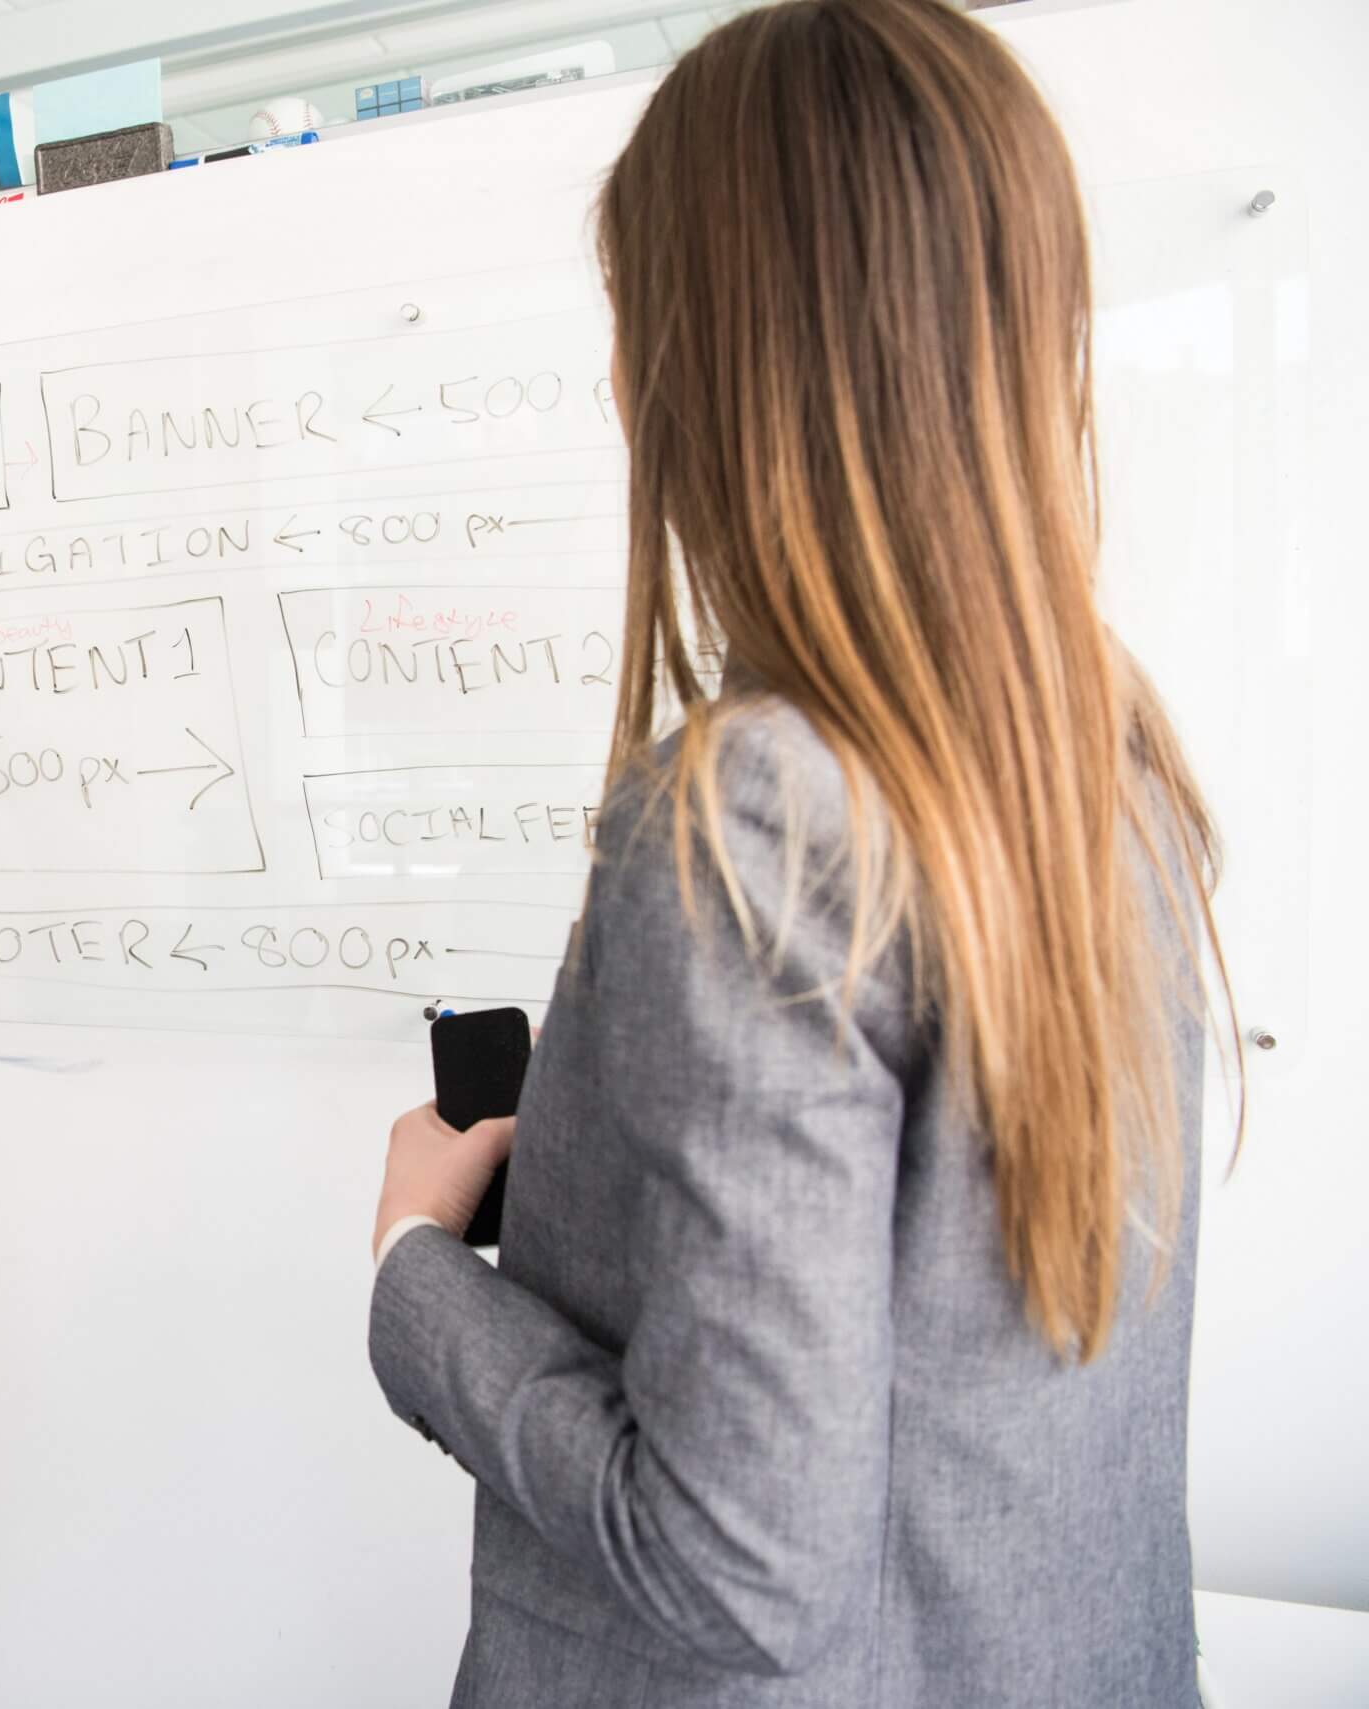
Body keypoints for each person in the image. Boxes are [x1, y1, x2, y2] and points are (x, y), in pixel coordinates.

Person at [365, 3, 1235, 1704]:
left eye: (633, 318)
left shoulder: (764, 802)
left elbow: (741, 1562)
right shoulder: (1107, 770)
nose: (621, 383)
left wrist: (413, 1267)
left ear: (719, 356)